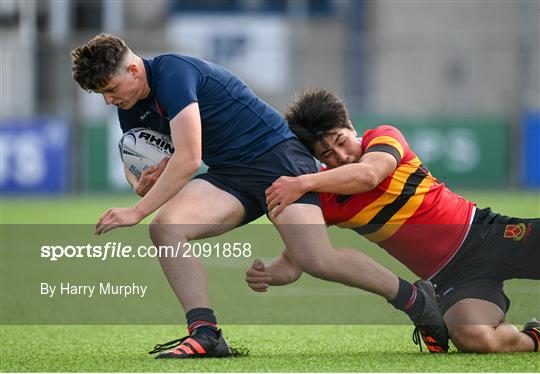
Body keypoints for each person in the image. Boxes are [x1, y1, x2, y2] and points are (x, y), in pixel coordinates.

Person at [71, 34, 447, 358]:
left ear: (133, 70)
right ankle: (206, 334)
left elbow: (188, 158)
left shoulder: (172, 73)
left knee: (316, 259)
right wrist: (143, 184)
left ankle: (417, 301)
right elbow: (139, 159)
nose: (108, 101)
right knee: (167, 228)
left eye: (109, 90)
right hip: (230, 176)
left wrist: (136, 210)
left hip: (278, 160)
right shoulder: (130, 103)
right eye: (101, 94)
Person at [246, 88, 540, 353]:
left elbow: (369, 175)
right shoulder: (326, 198)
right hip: (454, 277)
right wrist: (268, 273)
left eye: (341, 141)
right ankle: (534, 337)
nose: (341, 155)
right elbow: (297, 261)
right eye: (327, 154)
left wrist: (302, 183)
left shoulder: (382, 137)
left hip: (487, 235)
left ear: (350, 126)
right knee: (473, 338)